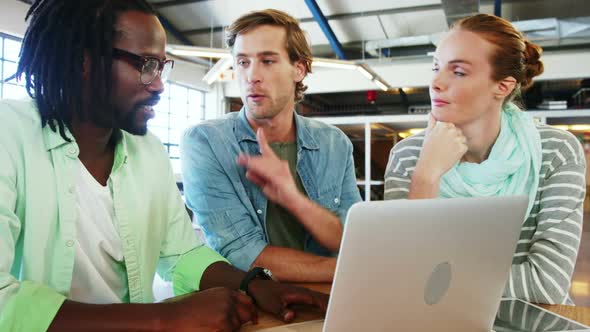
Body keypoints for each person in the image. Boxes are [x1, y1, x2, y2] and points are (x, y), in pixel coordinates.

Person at [0, 1, 327, 331]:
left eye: (161, 67)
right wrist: (163, 318)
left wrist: (255, 284)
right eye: (146, 65)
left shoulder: (148, 151)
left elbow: (183, 254)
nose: (158, 84)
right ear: (83, 61)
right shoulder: (8, 135)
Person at [384, 13, 585, 305]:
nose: (436, 83)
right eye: (436, 68)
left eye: (458, 72)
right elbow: (401, 274)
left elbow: (546, 283)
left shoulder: (556, 151)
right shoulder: (408, 156)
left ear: (502, 86)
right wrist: (426, 177)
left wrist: (432, 279)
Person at [181, 9, 361, 282]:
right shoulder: (206, 142)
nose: (252, 75)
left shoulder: (334, 143)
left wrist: (293, 199)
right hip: (252, 306)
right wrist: (344, 271)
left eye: (267, 61)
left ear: (298, 69)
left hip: (329, 301)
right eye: (242, 62)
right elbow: (240, 253)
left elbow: (347, 238)